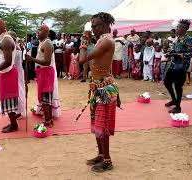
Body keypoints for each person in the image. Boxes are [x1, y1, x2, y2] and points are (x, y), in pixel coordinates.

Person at [79, 12, 120, 172]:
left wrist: (84, 41)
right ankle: (101, 154)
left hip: (103, 89)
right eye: (92, 26)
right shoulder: (103, 41)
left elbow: (83, 59)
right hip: (98, 87)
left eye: (94, 26)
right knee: (96, 123)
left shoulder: (107, 41)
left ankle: (107, 161)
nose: (92, 29)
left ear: (103, 25)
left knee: (102, 125)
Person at [25, 24, 61, 127]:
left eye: (40, 30)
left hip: (46, 73)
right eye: (38, 30)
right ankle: (48, 119)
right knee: (44, 97)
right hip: (42, 73)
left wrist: (32, 59)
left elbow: (47, 62)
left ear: (47, 33)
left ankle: (48, 121)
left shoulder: (47, 44)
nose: (38, 32)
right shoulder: (42, 43)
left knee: (46, 98)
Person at [164, 19, 192, 113]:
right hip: (173, 65)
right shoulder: (177, 38)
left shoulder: (188, 39)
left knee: (178, 86)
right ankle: (174, 100)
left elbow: (191, 54)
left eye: (178, 27)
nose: (176, 28)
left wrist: (177, 55)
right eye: (177, 26)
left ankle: (178, 107)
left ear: (184, 29)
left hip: (181, 67)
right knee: (167, 82)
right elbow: (175, 50)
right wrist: (170, 53)